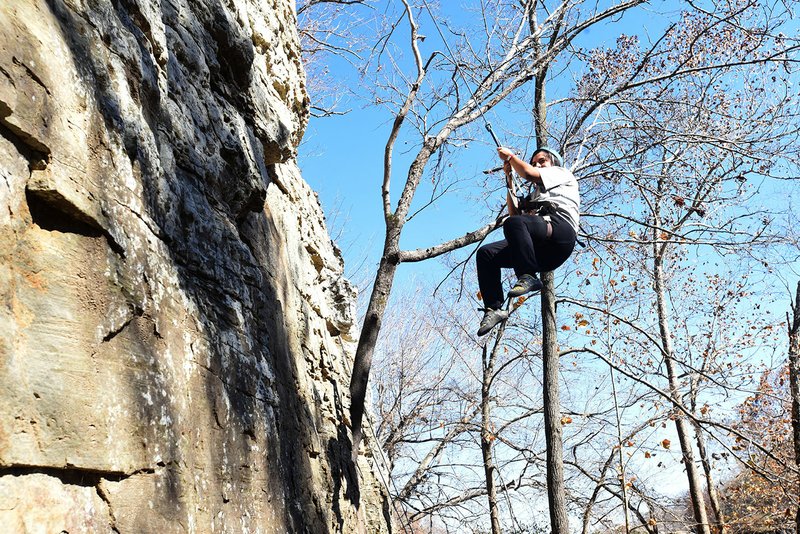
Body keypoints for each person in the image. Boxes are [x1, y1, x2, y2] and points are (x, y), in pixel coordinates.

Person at [476, 146, 580, 336]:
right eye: (534, 163)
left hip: (560, 233)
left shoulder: (561, 174)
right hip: (541, 251)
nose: (538, 165)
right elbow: (515, 217)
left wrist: (511, 157)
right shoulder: (536, 196)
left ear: (553, 162)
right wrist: (509, 180)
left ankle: (528, 275)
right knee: (486, 254)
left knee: (515, 223)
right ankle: (494, 308)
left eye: (542, 161)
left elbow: (529, 174)